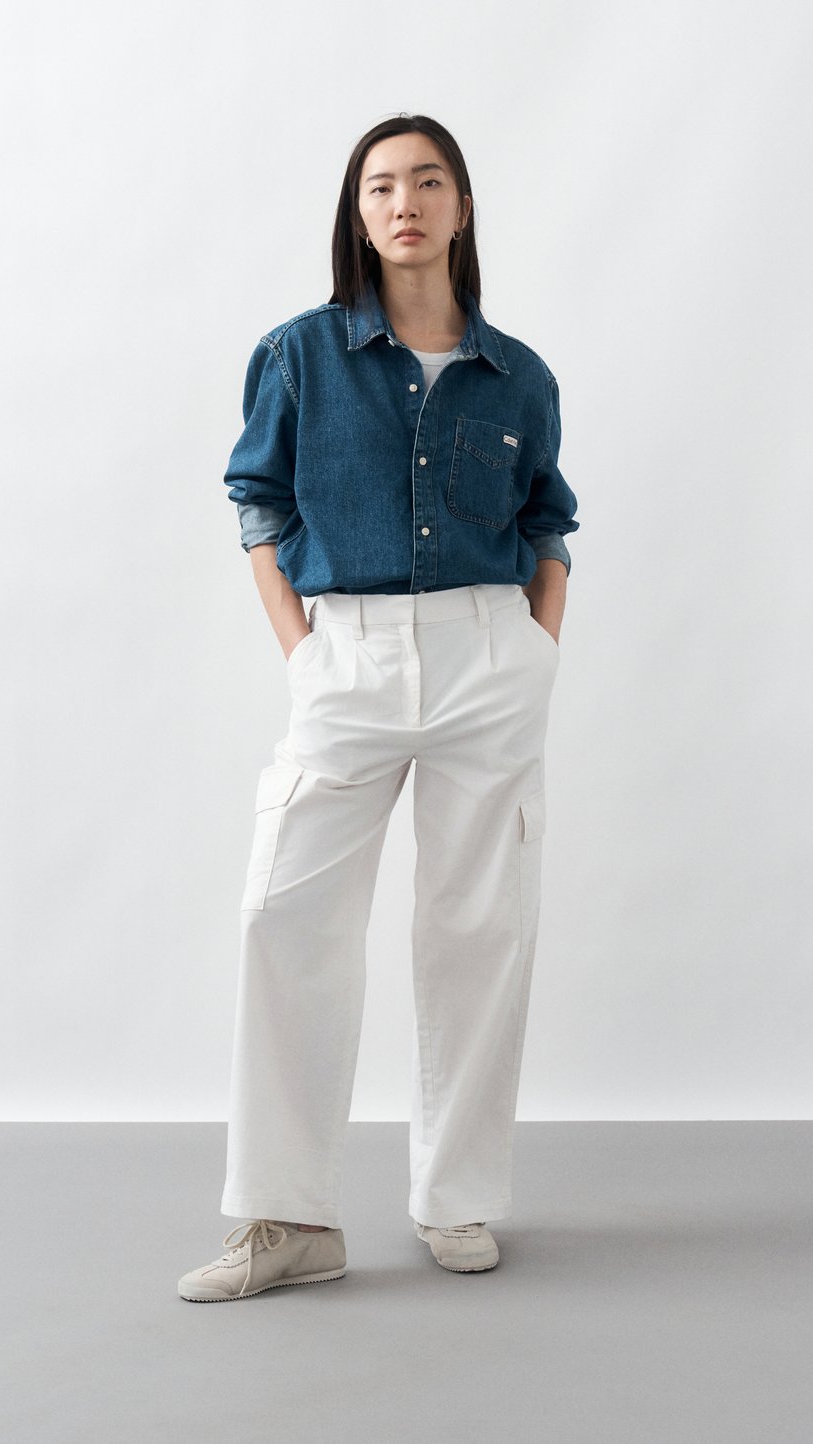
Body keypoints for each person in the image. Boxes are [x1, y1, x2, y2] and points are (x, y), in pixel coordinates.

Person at [178, 113, 578, 1302]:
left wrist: (536, 650)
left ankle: (456, 1196)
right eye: (381, 186)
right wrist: (303, 653)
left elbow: (548, 520)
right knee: (282, 916)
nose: (405, 202)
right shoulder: (299, 354)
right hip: (344, 659)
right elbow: (258, 500)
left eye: (428, 181)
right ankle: (290, 1218)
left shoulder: (520, 375)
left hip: (486, 658)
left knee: (477, 929)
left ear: (461, 207)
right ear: (357, 215)